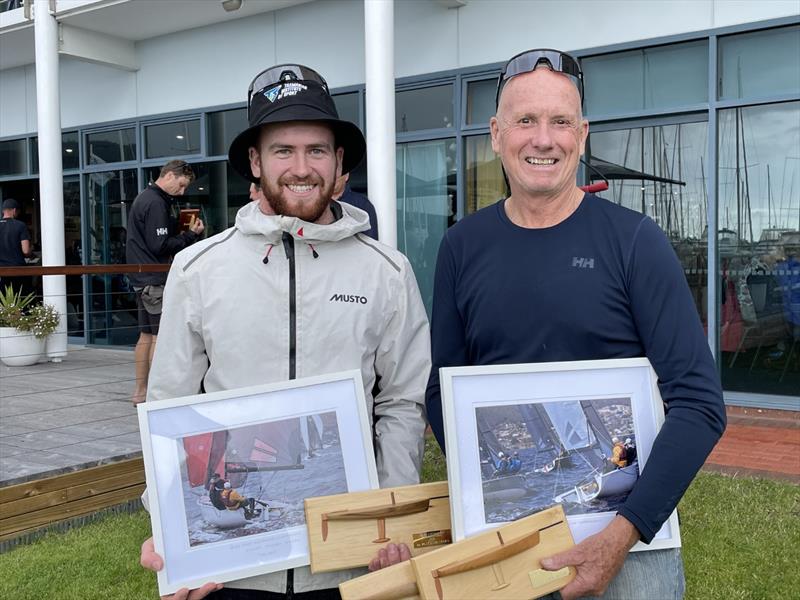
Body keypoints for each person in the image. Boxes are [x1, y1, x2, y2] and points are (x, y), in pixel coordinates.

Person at [425, 49, 726, 600]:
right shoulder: (460, 247)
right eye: (525, 121)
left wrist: (623, 533)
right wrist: (486, 490)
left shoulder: (635, 240)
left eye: (561, 121)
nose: (544, 139)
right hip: (510, 533)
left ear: (582, 135)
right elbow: (441, 392)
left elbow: (700, 403)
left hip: (630, 544)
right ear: (495, 134)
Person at [139, 64, 430, 600]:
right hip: (233, 570)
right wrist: (169, 526)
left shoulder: (387, 273)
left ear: (339, 160)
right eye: (282, 151)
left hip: (350, 561)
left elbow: (401, 406)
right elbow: (170, 407)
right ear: (255, 161)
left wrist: (395, 515)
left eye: (317, 150)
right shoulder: (198, 269)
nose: (302, 167)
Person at [125, 160, 205, 404]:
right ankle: (154, 395)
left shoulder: (145, 198)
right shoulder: (156, 202)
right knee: (160, 337)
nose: (181, 192)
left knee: (146, 336)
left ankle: (141, 392)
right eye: (181, 185)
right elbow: (159, 245)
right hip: (155, 279)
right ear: (169, 176)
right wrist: (191, 235)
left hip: (141, 278)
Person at [0, 198, 32, 297]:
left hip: (1, 271)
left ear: (3, 211)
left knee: (3, 302)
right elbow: (26, 251)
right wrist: (31, 250)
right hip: (17, 270)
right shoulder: (20, 225)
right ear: (14, 210)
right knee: (20, 300)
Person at [333, 173, 379, 240]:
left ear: (346, 176)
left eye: (337, 175)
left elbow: (370, 240)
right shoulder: (318, 203)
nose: (333, 179)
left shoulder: (362, 204)